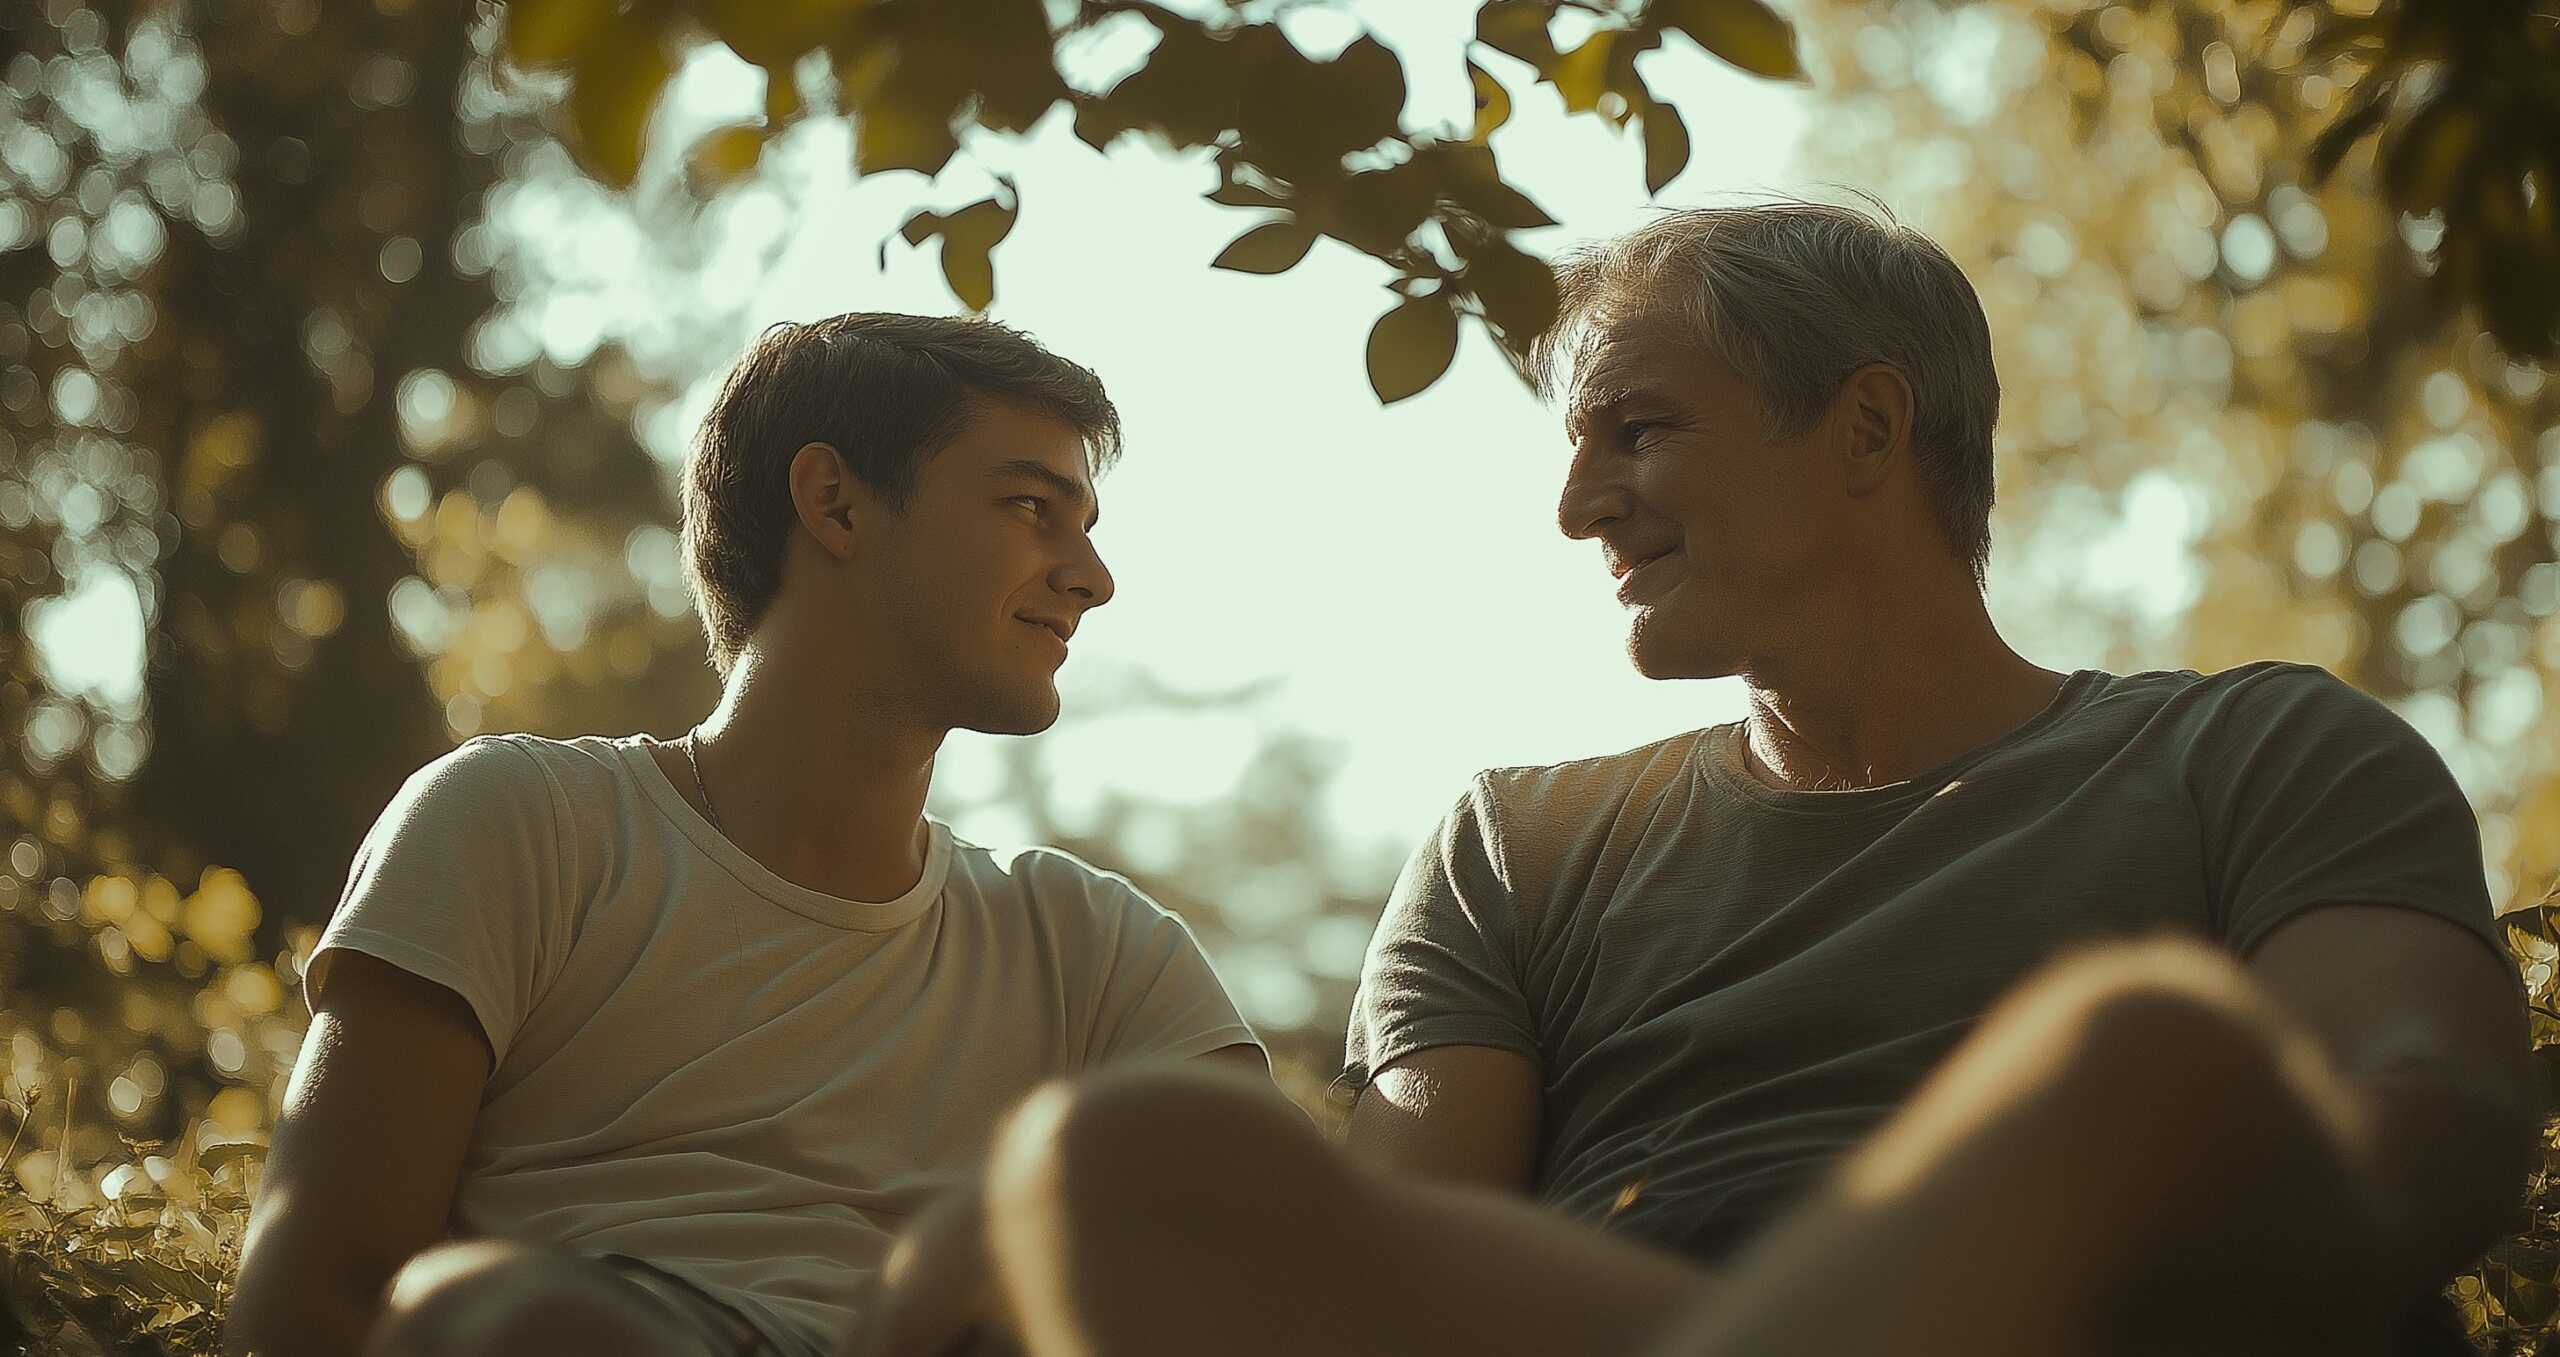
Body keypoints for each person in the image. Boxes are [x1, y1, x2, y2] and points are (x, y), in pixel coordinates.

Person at [954, 201, 2535, 1357]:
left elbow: (2427, 1127)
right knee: (1123, 1155)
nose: (1582, 507)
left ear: (1864, 428)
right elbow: (1393, 1273)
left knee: (2136, 1053)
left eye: (1635, 430)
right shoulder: (1522, 843)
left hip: (2121, 1314)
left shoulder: (2254, 751)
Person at [224, 315, 1264, 1357]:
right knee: (505, 1319)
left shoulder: (1098, 951)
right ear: (835, 502)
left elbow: (1292, 1266)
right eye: (1032, 507)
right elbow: (317, 1299)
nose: (1092, 576)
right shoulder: (519, 823)